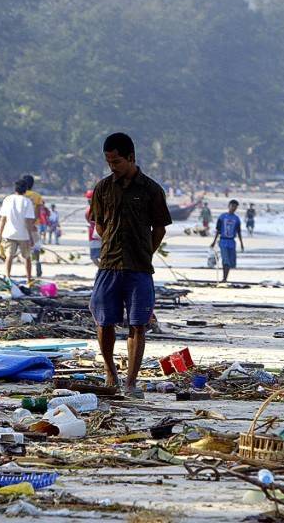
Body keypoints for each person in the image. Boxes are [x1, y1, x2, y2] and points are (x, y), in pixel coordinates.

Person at [89, 133, 172, 397]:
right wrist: (112, 242)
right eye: (109, 161)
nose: (112, 166)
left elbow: (159, 228)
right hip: (109, 264)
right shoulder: (102, 188)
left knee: (138, 324)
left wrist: (146, 250)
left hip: (139, 267)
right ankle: (111, 372)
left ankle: (131, 381)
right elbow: (99, 224)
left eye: (117, 161)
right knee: (104, 321)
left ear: (131, 158)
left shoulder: (151, 189)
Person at [0, 179, 36, 283]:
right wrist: (31, 237)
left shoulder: (8, 199)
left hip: (9, 233)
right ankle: (28, 279)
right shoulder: (27, 202)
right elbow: (28, 221)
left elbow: (3, 219)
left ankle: (8, 277)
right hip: (23, 235)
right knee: (27, 257)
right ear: (26, 190)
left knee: (9, 256)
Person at [210, 199, 244, 283]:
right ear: (229, 206)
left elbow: (239, 231)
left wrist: (241, 243)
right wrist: (214, 241)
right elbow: (218, 230)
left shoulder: (236, 219)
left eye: (235, 207)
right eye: (232, 206)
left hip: (232, 242)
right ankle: (224, 278)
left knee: (231, 261)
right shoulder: (222, 217)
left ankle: (225, 277)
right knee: (225, 260)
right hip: (223, 241)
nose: (233, 208)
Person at [22, 174, 45, 275]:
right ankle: (37, 262)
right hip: (35, 224)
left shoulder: (21, 195)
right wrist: (33, 223)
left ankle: (27, 267)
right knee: (36, 246)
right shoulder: (37, 196)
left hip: (22, 224)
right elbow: (38, 212)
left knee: (25, 246)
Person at [85, 189, 101, 266]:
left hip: (94, 236)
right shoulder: (101, 208)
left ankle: (102, 270)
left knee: (94, 257)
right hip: (101, 235)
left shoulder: (89, 210)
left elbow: (88, 220)